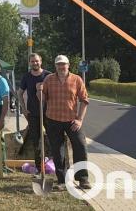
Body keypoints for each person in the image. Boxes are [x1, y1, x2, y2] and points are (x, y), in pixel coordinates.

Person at [36, 55, 91, 190]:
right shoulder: (49, 79)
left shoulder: (76, 79)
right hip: (53, 120)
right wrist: (39, 90)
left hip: (72, 120)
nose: (61, 67)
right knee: (57, 151)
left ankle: (83, 179)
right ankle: (62, 180)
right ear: (55, 66)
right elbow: (42, 100)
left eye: (63, 64)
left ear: (68, 65)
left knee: (80, 146)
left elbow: (84, 100)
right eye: (58, 64)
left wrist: (79, 119)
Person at [17, 53, 51, 172]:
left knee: (52, 138)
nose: (35, 63)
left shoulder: (48, 75)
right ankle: (39, 168)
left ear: (40, 61)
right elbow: (20, 93)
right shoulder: (27, 77)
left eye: (36, 61)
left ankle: (55, 164)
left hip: (49, 113)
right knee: (36, 141)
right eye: (32, 61)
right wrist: (24, 109)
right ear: (30, 63)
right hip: (33, 114)